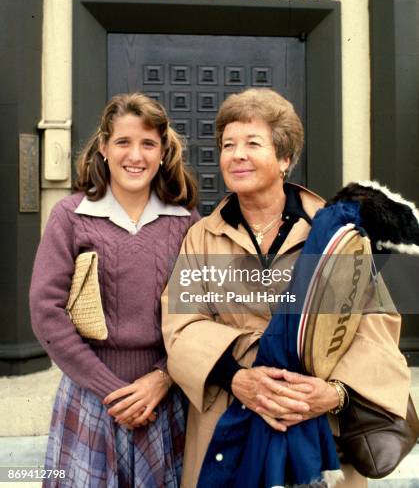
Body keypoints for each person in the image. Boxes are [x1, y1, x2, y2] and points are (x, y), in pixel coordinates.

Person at [162, 88, 411, 487]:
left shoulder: (335, 234)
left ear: (284, 159)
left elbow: (373, 322)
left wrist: (334, 392)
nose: (237, 154)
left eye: (252, 143)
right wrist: (236, 377)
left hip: (315, 419)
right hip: (229, 415)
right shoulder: (201, 237)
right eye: (229, 144)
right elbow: (181, 324)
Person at [30, 93, 199, 487]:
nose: (135, 155)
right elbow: (46, 311)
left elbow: (201, 316)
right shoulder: (70, 217)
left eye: (148, 143)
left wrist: (162, 378)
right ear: (104, 147)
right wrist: (113, 393)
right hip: (91, 396)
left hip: (163, 399)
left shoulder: (186, 222)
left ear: (163, 152)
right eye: (123, 142)